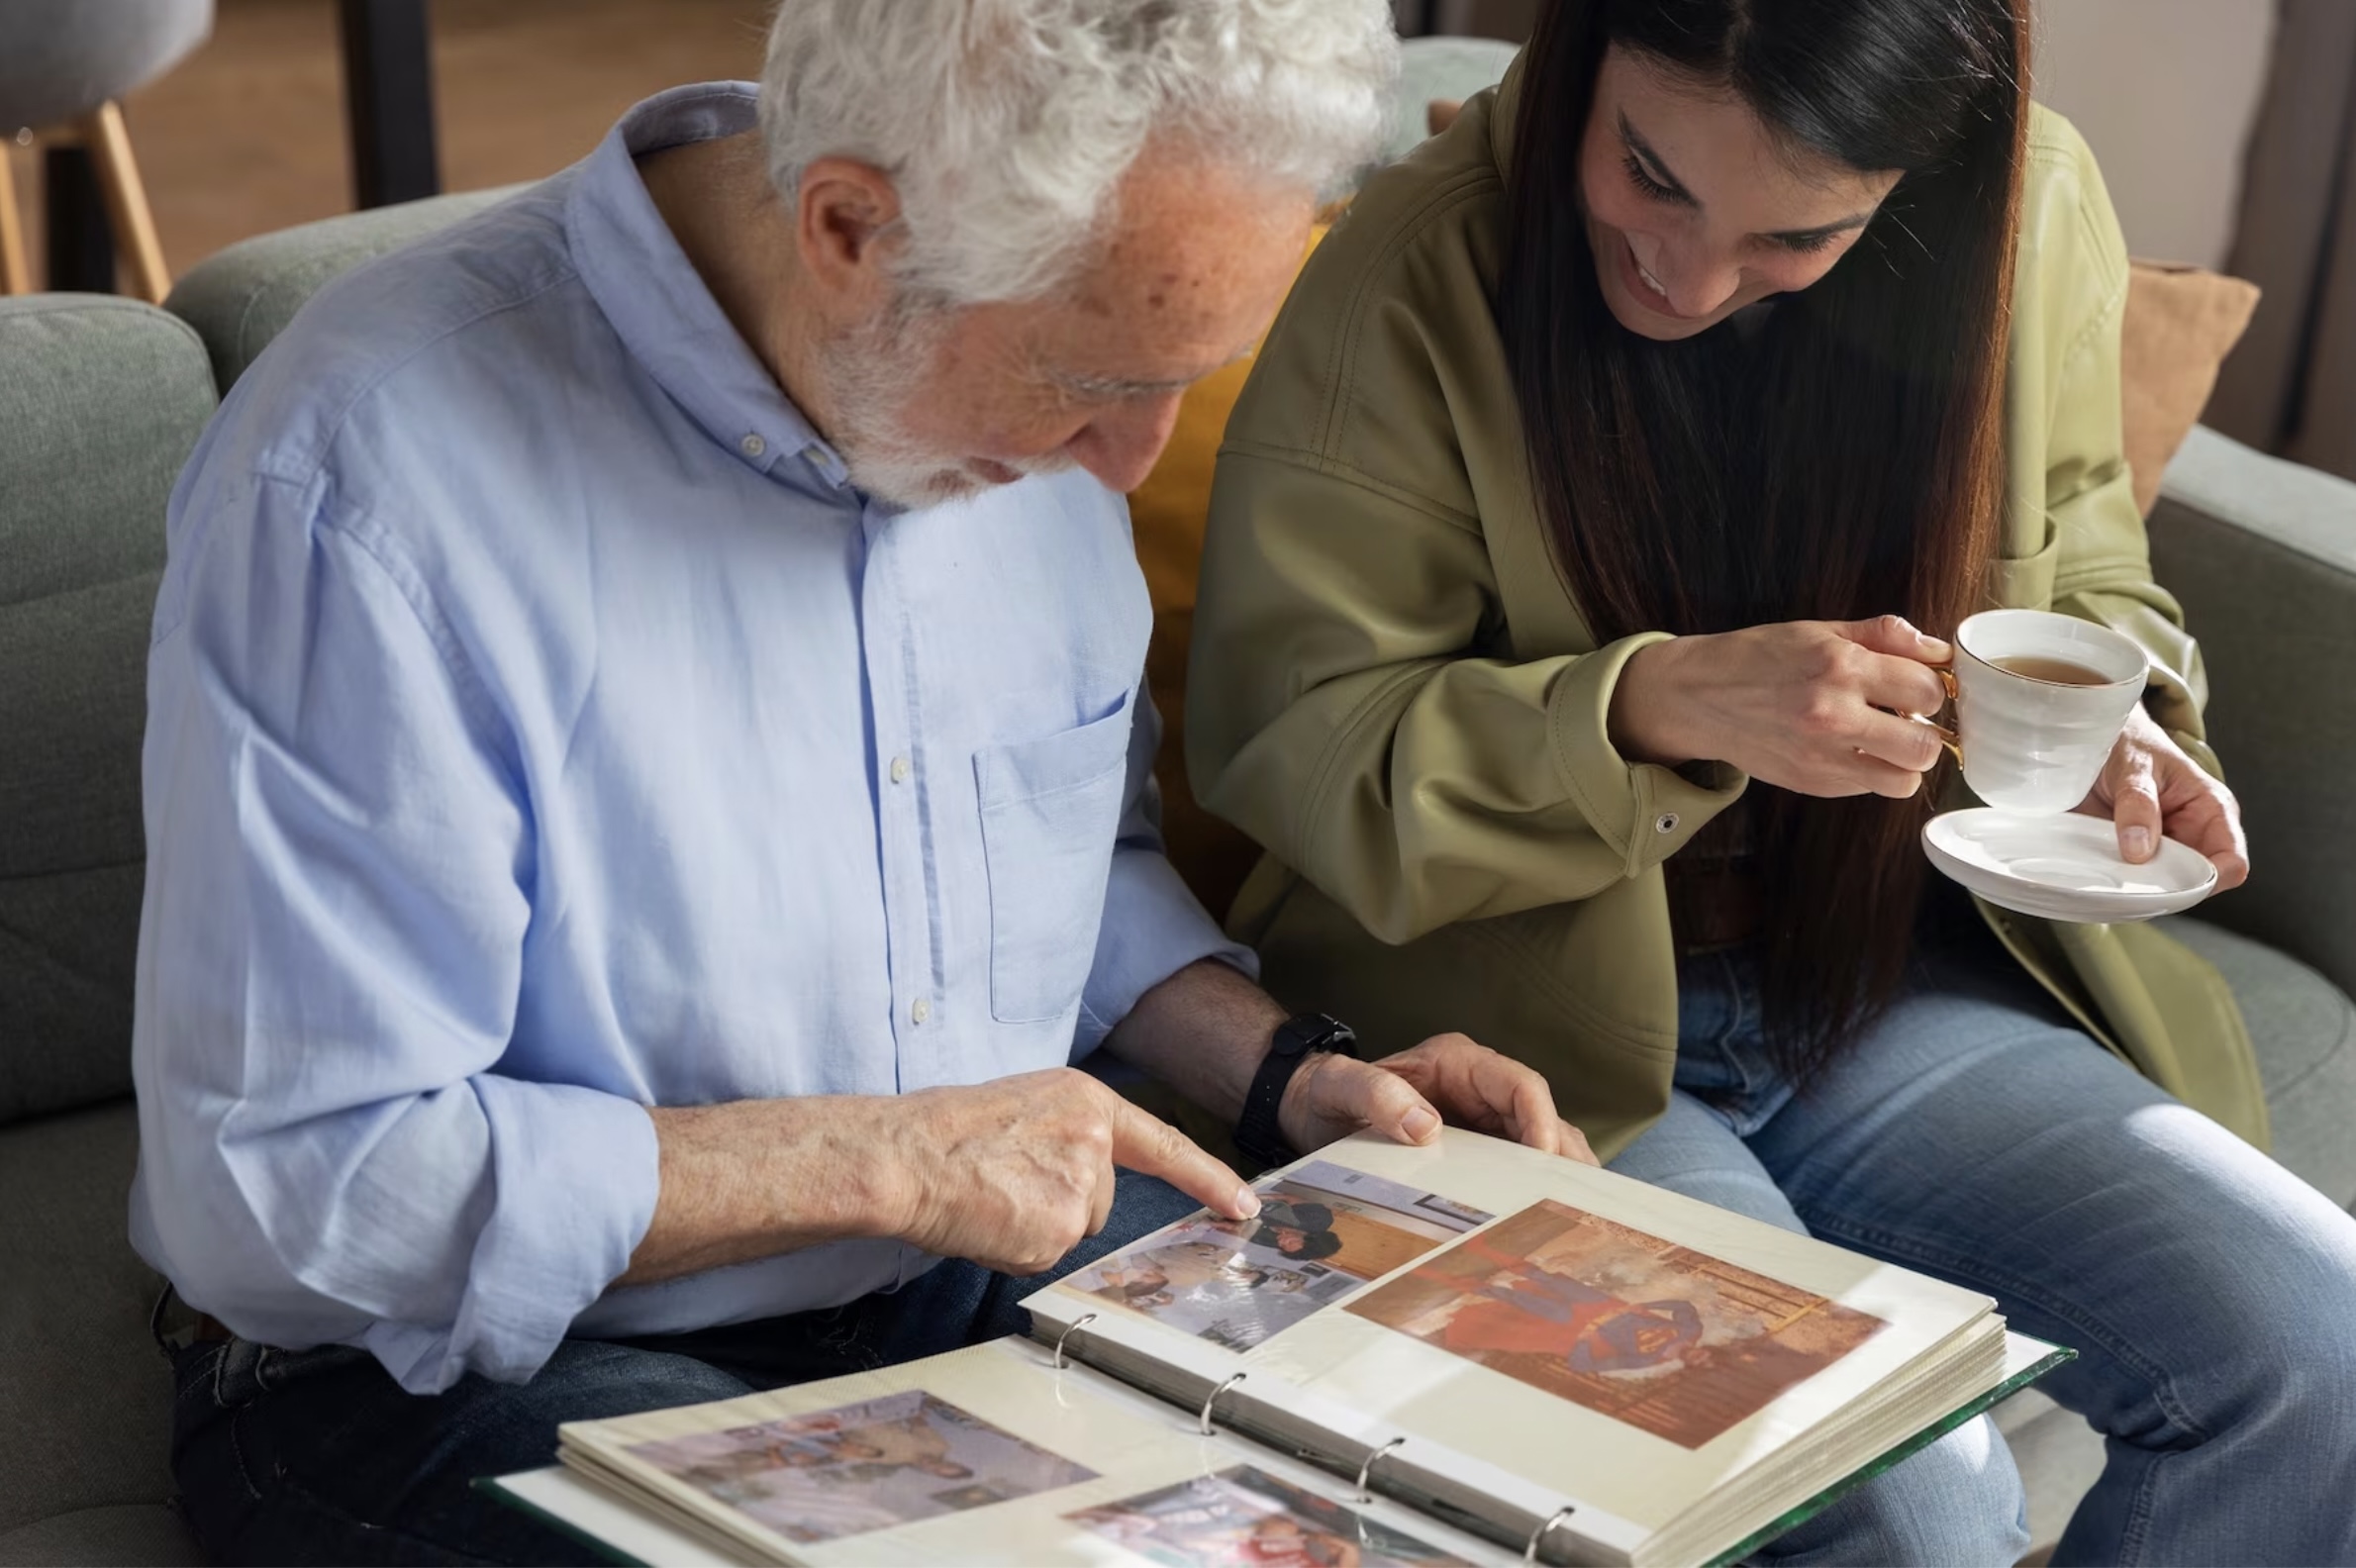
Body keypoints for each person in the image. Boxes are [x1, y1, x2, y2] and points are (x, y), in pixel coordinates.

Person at [129, 4, 1603, 1563]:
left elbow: (1064, 869)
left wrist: (1292, 1074)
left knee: (1495, 1461)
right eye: (1097, 377)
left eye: (1185, 375)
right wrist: (892, 1156)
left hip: (950, 1289)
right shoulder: (370, 476)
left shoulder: (1016, 412)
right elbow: (289, 1193)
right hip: (450, 1367)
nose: (1133, 457)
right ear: (845, 227)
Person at [1188, 0, 2356, 1562]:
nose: (1686, 274)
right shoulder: (1419, 259)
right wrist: (1651, 702)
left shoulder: (2030, 210)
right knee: (1908, 1501)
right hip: (1535, 1042)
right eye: (1650, 175)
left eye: (1796, 236)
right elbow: (1289, 738)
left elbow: (2091, 566)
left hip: (1882, 986)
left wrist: (2115, 714)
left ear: (1915, 183)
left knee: (2314, 1350)